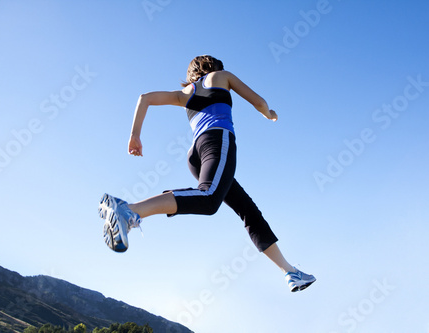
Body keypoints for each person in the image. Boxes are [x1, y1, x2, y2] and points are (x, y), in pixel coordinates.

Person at [98, 55, 316, 292]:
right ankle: (129, 210)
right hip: (217, 141)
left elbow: (145, 98)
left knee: (248, 211)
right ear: (214, 67)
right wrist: (269, 114)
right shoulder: (221, 76)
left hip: (196, 155)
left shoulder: (184, 94)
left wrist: (135, 135)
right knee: (210, 199)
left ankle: (290, 272)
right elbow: (260, 102)